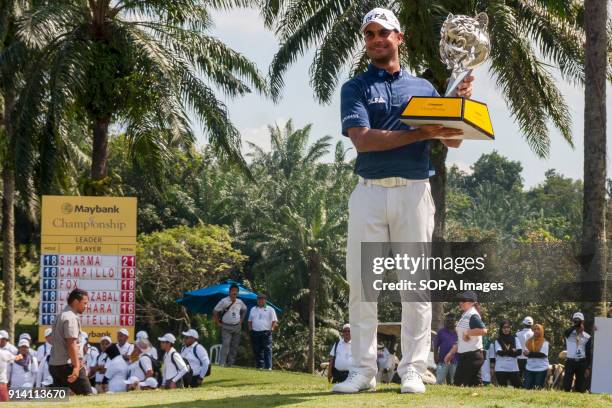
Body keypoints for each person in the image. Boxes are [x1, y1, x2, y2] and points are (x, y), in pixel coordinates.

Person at [335, 6, 473, 395]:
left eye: (384, 32)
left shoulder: (425, 89)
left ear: (399, 38)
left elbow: (453, 139)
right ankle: (363, 370)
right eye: (369, 34)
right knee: (363, 285)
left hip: (414, 192)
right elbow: (363, 139)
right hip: (369, 193)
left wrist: (459, 100)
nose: (377, 39)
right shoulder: (355, 87)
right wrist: (419, 133)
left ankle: (413, 369)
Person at [48, 287, 93, 395]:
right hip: (68, 365)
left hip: (54, 365)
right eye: (85, 303)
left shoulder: (60, 315)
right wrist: (77, 366)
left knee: (59, 402)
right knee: (87, 396)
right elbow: (71, 343)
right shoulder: (71, 317)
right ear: (76, 301)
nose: (86, 306)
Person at [445, 291, 487, 387]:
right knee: (474, 385)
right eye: (460, 300)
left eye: (463, 301)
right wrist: (451, 353)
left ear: (472, 303)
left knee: (458, 384)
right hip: (467, 356)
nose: (460, 303)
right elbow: (460, 339)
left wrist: (467, 332)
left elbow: (483, 330)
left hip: (472, 356)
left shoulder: (473, 315)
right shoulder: (465, 315)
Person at [213, 283, 247, 366]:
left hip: (237, 326)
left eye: (236, 291)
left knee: (234, 346)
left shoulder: (240, 302)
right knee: (226, 344)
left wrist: (241, 320)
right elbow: (215, 311)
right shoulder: (224, 301)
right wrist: (218, 322)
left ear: (238, 293)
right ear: (229, 292)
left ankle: (230, 364)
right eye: (233, 291)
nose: (234, 293)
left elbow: (245, 309)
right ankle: (222, 363)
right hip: (226, 326)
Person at [562, 312, 591, 393]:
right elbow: (566, 332)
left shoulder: (587, 336)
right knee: (566, 385)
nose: (577, 322)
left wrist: (588, 367)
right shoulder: (569, 333)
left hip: (582, 362)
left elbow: (588, 353)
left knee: (580, 387)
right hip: (570, 361)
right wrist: (576, 326)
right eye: (575, 320)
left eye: (579, 321)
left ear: (582, 321)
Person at [248, 294, 278, 370]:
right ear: (257, 300)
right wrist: (251, 330)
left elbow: (274, 321)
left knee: (267, 349)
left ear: (265, 300)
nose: (260, 301)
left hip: (266, 332)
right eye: (259, 299)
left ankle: (268, 367)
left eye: (262, 299)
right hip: (255, 332)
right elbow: (250, 321)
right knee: (257, 349)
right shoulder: (253, 309)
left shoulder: (270, 309)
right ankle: (259, 366)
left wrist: (271, 329)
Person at [493, 320, 522, 388]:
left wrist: (506, 352)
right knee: (503, 388)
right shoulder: (498, 340)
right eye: (504, 327)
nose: (506, 329)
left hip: (513, 367)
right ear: (501, 329)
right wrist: (513, 351)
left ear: (510, 328)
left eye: (508, 327)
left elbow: (519, 352)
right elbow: (499, 353)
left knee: (519, 387)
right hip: (501, 368)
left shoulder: (515, 338)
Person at [523, 323, 549, 390]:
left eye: (538, 329)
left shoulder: (544, 342)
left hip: (541, 368)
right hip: (529, 368)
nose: (536, 331)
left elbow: (542, 355)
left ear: (541, 331)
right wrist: (530, 354)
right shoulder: (528, 341)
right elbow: (525, 353)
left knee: (538, 388)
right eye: (534, 329)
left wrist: (530, 354)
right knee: (527, 387)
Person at [434, 314, 458, 385]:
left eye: (452, 320)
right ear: (445, 321)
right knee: (439, 381)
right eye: (447, 321)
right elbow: (436, 345)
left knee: (454, 382)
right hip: (442, 361)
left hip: (456, 361)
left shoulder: (459, 332)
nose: (449, 322)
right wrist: (435, 357)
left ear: (455, 321)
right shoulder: (441, 332)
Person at [515, 316, 534, 380]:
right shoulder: (534, 334)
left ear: (524, 324)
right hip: (530, 358)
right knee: (528, 377)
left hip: (519, 358)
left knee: (518, 377)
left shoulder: (517, 334)